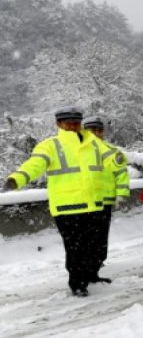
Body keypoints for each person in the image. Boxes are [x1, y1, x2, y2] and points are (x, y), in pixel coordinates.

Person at [3, 106, 110, 297]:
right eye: (68, 122)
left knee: (95, 246)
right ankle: (78, 284)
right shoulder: (50, 145)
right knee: (75, 247)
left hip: (94, 204)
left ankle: (92, 275)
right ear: (58, 124)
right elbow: (35, 165)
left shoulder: (94, 144)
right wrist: (18, 178)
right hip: (67, 207)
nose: (72, 126)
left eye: (76, 122)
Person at [83, 116, 129, 283]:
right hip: (84, 203)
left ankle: (94, 273)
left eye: (99, 130)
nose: (96, 133)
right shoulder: (78, 152)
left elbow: (121, 173)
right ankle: (83, 275)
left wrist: (121, 194)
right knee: (84, 241)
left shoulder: (111, 150)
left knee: (100, 242)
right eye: (92, 130)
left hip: (105, 203)